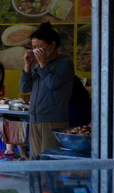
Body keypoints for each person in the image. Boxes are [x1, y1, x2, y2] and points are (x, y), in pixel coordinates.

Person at [20, 22, 75, 158]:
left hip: (53, 121)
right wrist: (27, 66)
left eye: (40, 47)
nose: (36, 51)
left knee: (49, 163)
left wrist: (43, 64)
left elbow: (52, 84)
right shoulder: (38, 66)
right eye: (33, 47)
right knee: (35, 161)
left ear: (52, 45)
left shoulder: (65, 63)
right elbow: (24, 88)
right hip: (35, 119)